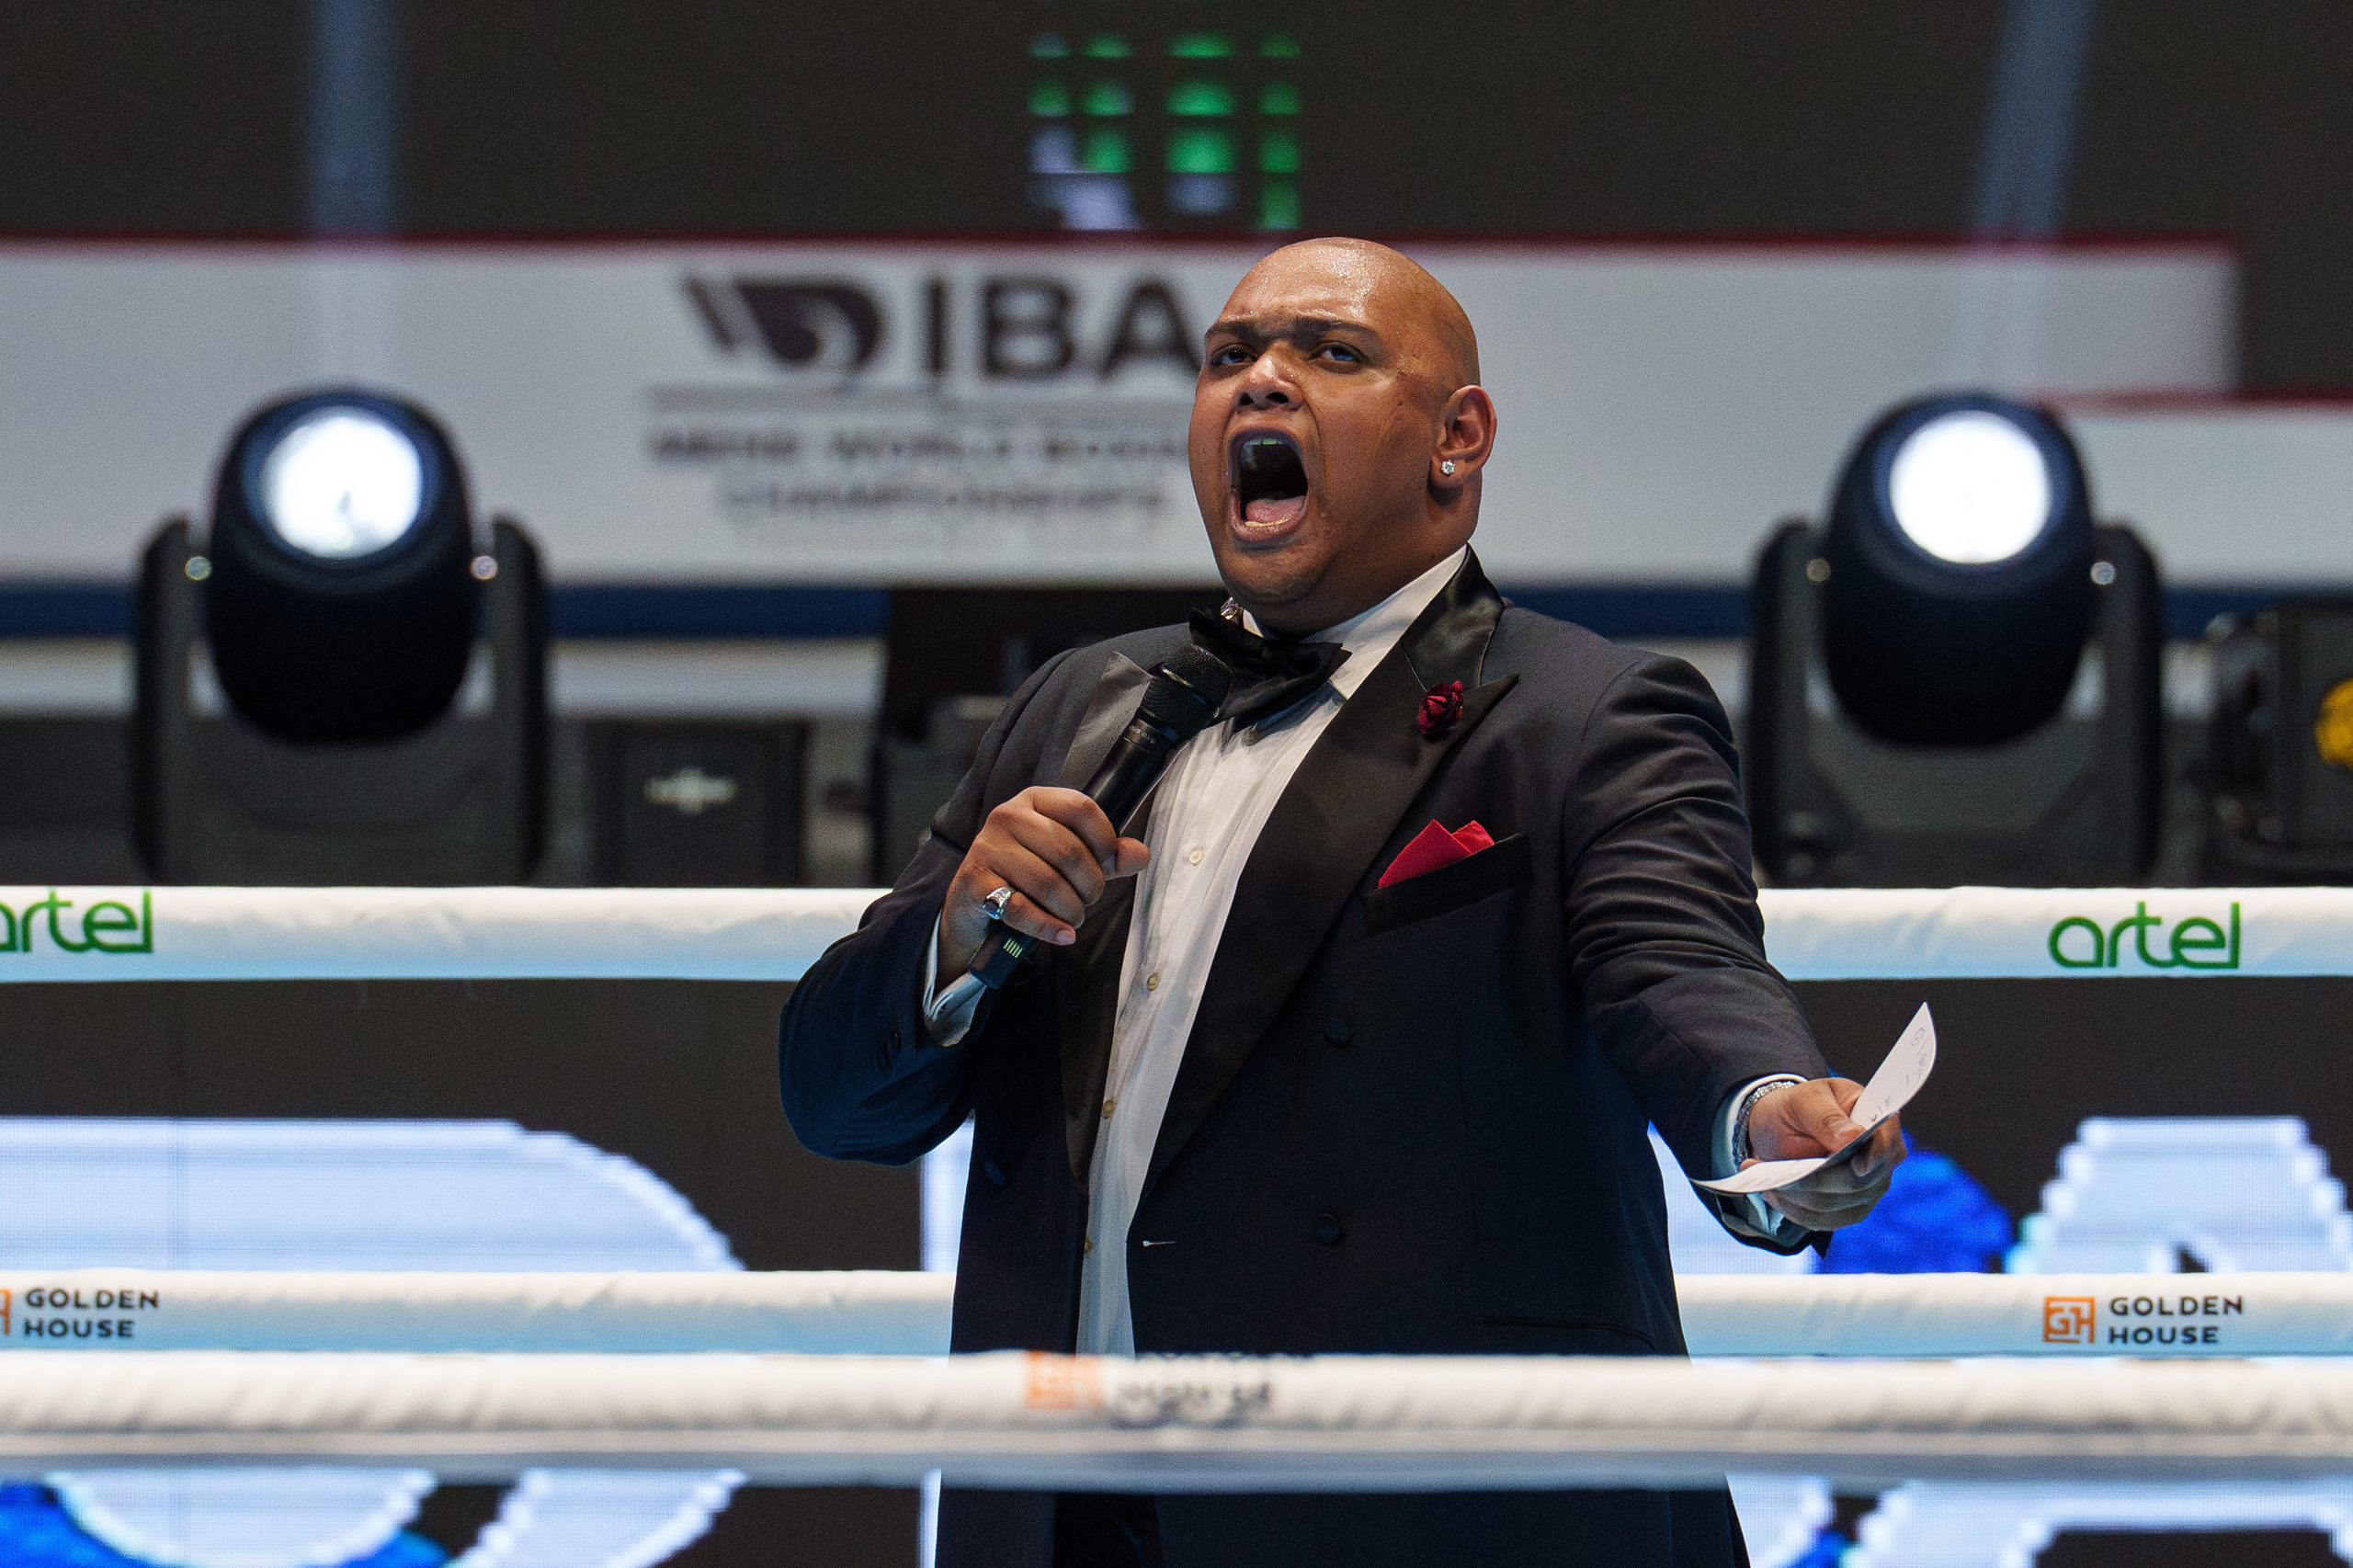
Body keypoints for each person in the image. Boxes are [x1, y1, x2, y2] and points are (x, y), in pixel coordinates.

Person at [779, 238, 1904, 1568]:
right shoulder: (1076, 707)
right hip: (1063, 1515)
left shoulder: (1584, 713)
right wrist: (951, 940)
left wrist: (1765, 1109)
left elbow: (1678, 965)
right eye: (1228, 355)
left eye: (1330, 351)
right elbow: (835, 1097)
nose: (1261, 380)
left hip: (1428, 1512)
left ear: (1458, 437)